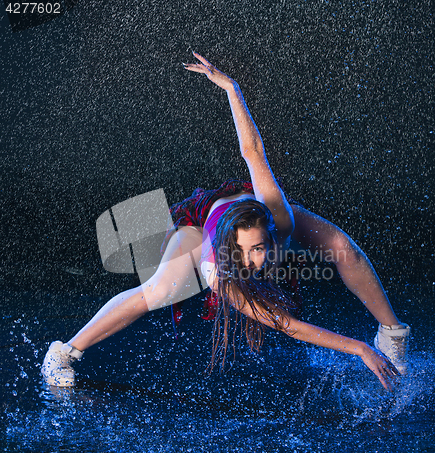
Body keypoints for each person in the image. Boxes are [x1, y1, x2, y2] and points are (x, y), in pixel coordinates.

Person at [41, 52, 410, 391]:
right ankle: (64, 352)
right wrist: (358, 348)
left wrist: (234, 89)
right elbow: (282, 322)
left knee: (341, 248)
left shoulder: (279, 217)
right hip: (204, 222)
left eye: (260, 249)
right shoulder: (220, 267)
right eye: (245, 253)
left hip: (250, 207)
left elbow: (252, 152)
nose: (252, 262)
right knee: (159, 291)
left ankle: (393, 333)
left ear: (272, 236)